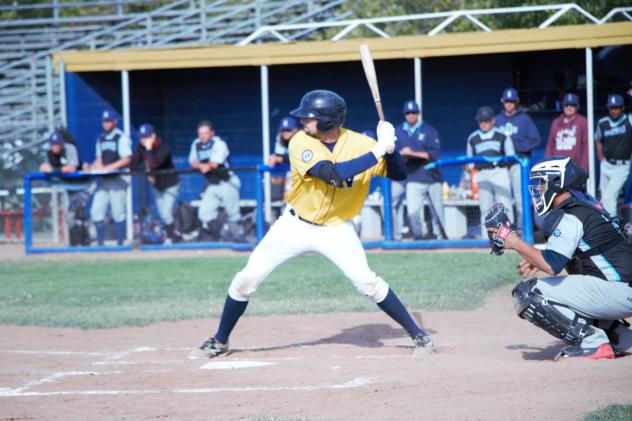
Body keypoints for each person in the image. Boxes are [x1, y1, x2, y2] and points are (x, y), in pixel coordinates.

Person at [199, 89, 435, 358]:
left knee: (367, 282)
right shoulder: (300, 142)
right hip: (295, 225)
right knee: (246, 279)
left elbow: (399, 173)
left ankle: (420, 336)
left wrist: (389, 148)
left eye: (308, 117)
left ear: (327, 120)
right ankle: (220, 340)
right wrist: (378, 150)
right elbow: (332, 175)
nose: (302, 122)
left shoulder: (361, 144)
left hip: (336, 229)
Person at [485, 156, 632, 360]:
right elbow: (582, 254)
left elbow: (551, 265)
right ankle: (621, 338)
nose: (538, 189)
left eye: (542, 182)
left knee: (528, 292)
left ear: (557, 182)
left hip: (618, 292)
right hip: (622, 290)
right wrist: (535, 256)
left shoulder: (572, 215)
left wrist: (513, 241)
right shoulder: (586, 206)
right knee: (569, 293)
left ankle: (592, 344)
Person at [395, 100, 444, 240]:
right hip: (412, 176)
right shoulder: (398, 131)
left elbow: (433, 155)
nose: (411, 115)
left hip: (432, 176)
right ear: (404, 114)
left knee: (437, 212)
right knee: (412, 211)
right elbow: (395, 154)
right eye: (408, 113)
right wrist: (402, 155)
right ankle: (419, 238)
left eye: (413, 112)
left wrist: (410, 153)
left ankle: (440, 238)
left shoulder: (430, 130)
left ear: (418, 113)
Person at [495, 87, 541, 228]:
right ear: (502, 101)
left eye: (512, 101)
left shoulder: (524, 119)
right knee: (503, 198)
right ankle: (506, 230)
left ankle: (523, 229)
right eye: (507, 101)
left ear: (517, 102)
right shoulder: (497, 119)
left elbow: (536, 139)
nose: (509, 104)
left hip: (518, 164)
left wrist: (517, 147)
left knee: (521, 199)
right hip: (502, 165)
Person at [85, 109, 132, 246]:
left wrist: (109, 167)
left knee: (118, 212)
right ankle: (100, 244)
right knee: (96, 211)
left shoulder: (121, 137)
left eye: (108, 121)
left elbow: (126, 159)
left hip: (118, 179)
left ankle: (120, 244)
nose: (106, 124)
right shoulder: (101, 139)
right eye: (104, 121)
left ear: (115, 121)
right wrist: (92, 166)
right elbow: (99, 159)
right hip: (104, 179)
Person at [189, 120, 241, 241]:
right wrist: (201, 166)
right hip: (212, 184)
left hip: (227, 182)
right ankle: (219, 236)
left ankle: (240, 238)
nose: (202, 136)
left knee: (233, 214)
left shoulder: (219, 143)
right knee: (204, 214)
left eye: (205, 133)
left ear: (212, 133)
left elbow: (214, 164)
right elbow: (192, 162)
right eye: (200, 133)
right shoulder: (196, 143)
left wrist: (203, 165)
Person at [467, 106, 515, 237]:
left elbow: (511, 156)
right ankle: (487, 239)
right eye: (481, 120)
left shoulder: (502, 135)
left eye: (486, 120)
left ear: (493, 121)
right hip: (482, 174)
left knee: (505, 206)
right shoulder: (472, 138)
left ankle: (509, 237)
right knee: (485, 208)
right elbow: (469, 161)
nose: (483, 123)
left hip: (499, 172)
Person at [131, 123, 181, 244]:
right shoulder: (140, 147)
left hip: (171, 185)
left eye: (146, 137)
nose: (143, 140)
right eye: (141, 137)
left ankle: (171, 238)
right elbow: (133, 165)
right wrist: (147, 173)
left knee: (166, 213)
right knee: (163, 214)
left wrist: (149, 149)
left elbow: (155, 163)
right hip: (157, 186)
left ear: (153, 136)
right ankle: (174, 235)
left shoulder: (164, 147)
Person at [595, 94, 632, 218]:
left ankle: (611, 227)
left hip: (622, 166)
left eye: (617, 107)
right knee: (605, 198)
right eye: (612, 108)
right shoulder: (603, 122)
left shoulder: (629, 121)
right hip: (606, 164)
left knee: (608, 198)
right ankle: (613, 224)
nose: (614, 110)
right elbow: (597, 139)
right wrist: (600, 156)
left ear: (622, 108)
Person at [544, 93, 589, 172]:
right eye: (566, 105)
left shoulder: (583, 122)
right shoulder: (556, 122)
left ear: (577, 107)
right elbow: (550, 146)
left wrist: (583, 168)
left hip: (574, 167)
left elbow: (586, 147)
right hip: (557, 167)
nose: (569, 107)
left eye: (572, 105)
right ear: (563, 106)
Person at [268, 116, 299, 201]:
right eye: (283, 130)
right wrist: (274, 158)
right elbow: (279, 155)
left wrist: (279, 159)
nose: (285, 132)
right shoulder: (280, 138)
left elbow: (299, 158)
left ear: (295, 130)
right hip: (290, 173)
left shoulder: (300, 138)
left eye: (288, 130)